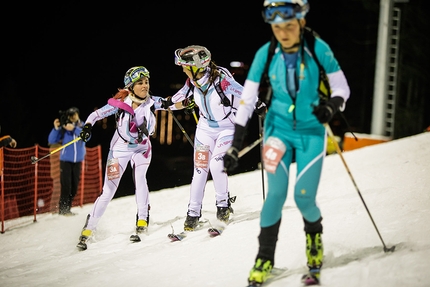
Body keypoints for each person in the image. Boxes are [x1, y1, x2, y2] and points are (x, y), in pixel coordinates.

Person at [223, 1, 350, 286]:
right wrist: (235, 144)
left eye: (289, 26)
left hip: (311, 134)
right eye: (277, 27)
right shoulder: (266, 53)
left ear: (302, 22)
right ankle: (264, 258)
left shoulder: (318, 48)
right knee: (275, 195)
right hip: (277, 131)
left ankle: (314, 242)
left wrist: (331, 106)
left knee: (304, 197)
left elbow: (342, 87)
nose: (283, 32)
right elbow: (246, 101)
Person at [77, 66, 171, 247]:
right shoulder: (120, 104)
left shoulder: (152, 101)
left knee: (140, 178)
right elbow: (95, 115)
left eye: (146, 82)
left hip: (142, 148)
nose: (145, 86)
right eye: (141, 83)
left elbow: (172, 102)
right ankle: (89, 227)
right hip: (119, 149)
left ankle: (142, 219)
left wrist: (189, 102)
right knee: (108, 191)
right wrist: (87, 127)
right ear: (131, 86)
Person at [166, 45, 250, 231]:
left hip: (227, 128)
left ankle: (223, 206)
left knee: (216, 164)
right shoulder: (192, 83)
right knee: (199, 170)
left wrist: (259, 105)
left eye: (184, 66)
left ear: (195, 67)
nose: (182, 69)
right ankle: (193, 214)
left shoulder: (221, 80)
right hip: (204, 129)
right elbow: (175, 100)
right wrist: (166, 104)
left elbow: (245, 94)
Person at [48, 107, 86, 215]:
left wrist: (73, 128)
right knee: (66, 186)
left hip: (77, 161)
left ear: (78, 115)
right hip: (65, 161)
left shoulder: (82, 125)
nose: (73, 117)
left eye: (74, 114)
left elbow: (87, 137)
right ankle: (63, 210)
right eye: (71, 115)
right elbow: (51, 140)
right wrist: (56, 128)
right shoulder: (64, 128)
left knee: (74, 187)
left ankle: (67, 208)